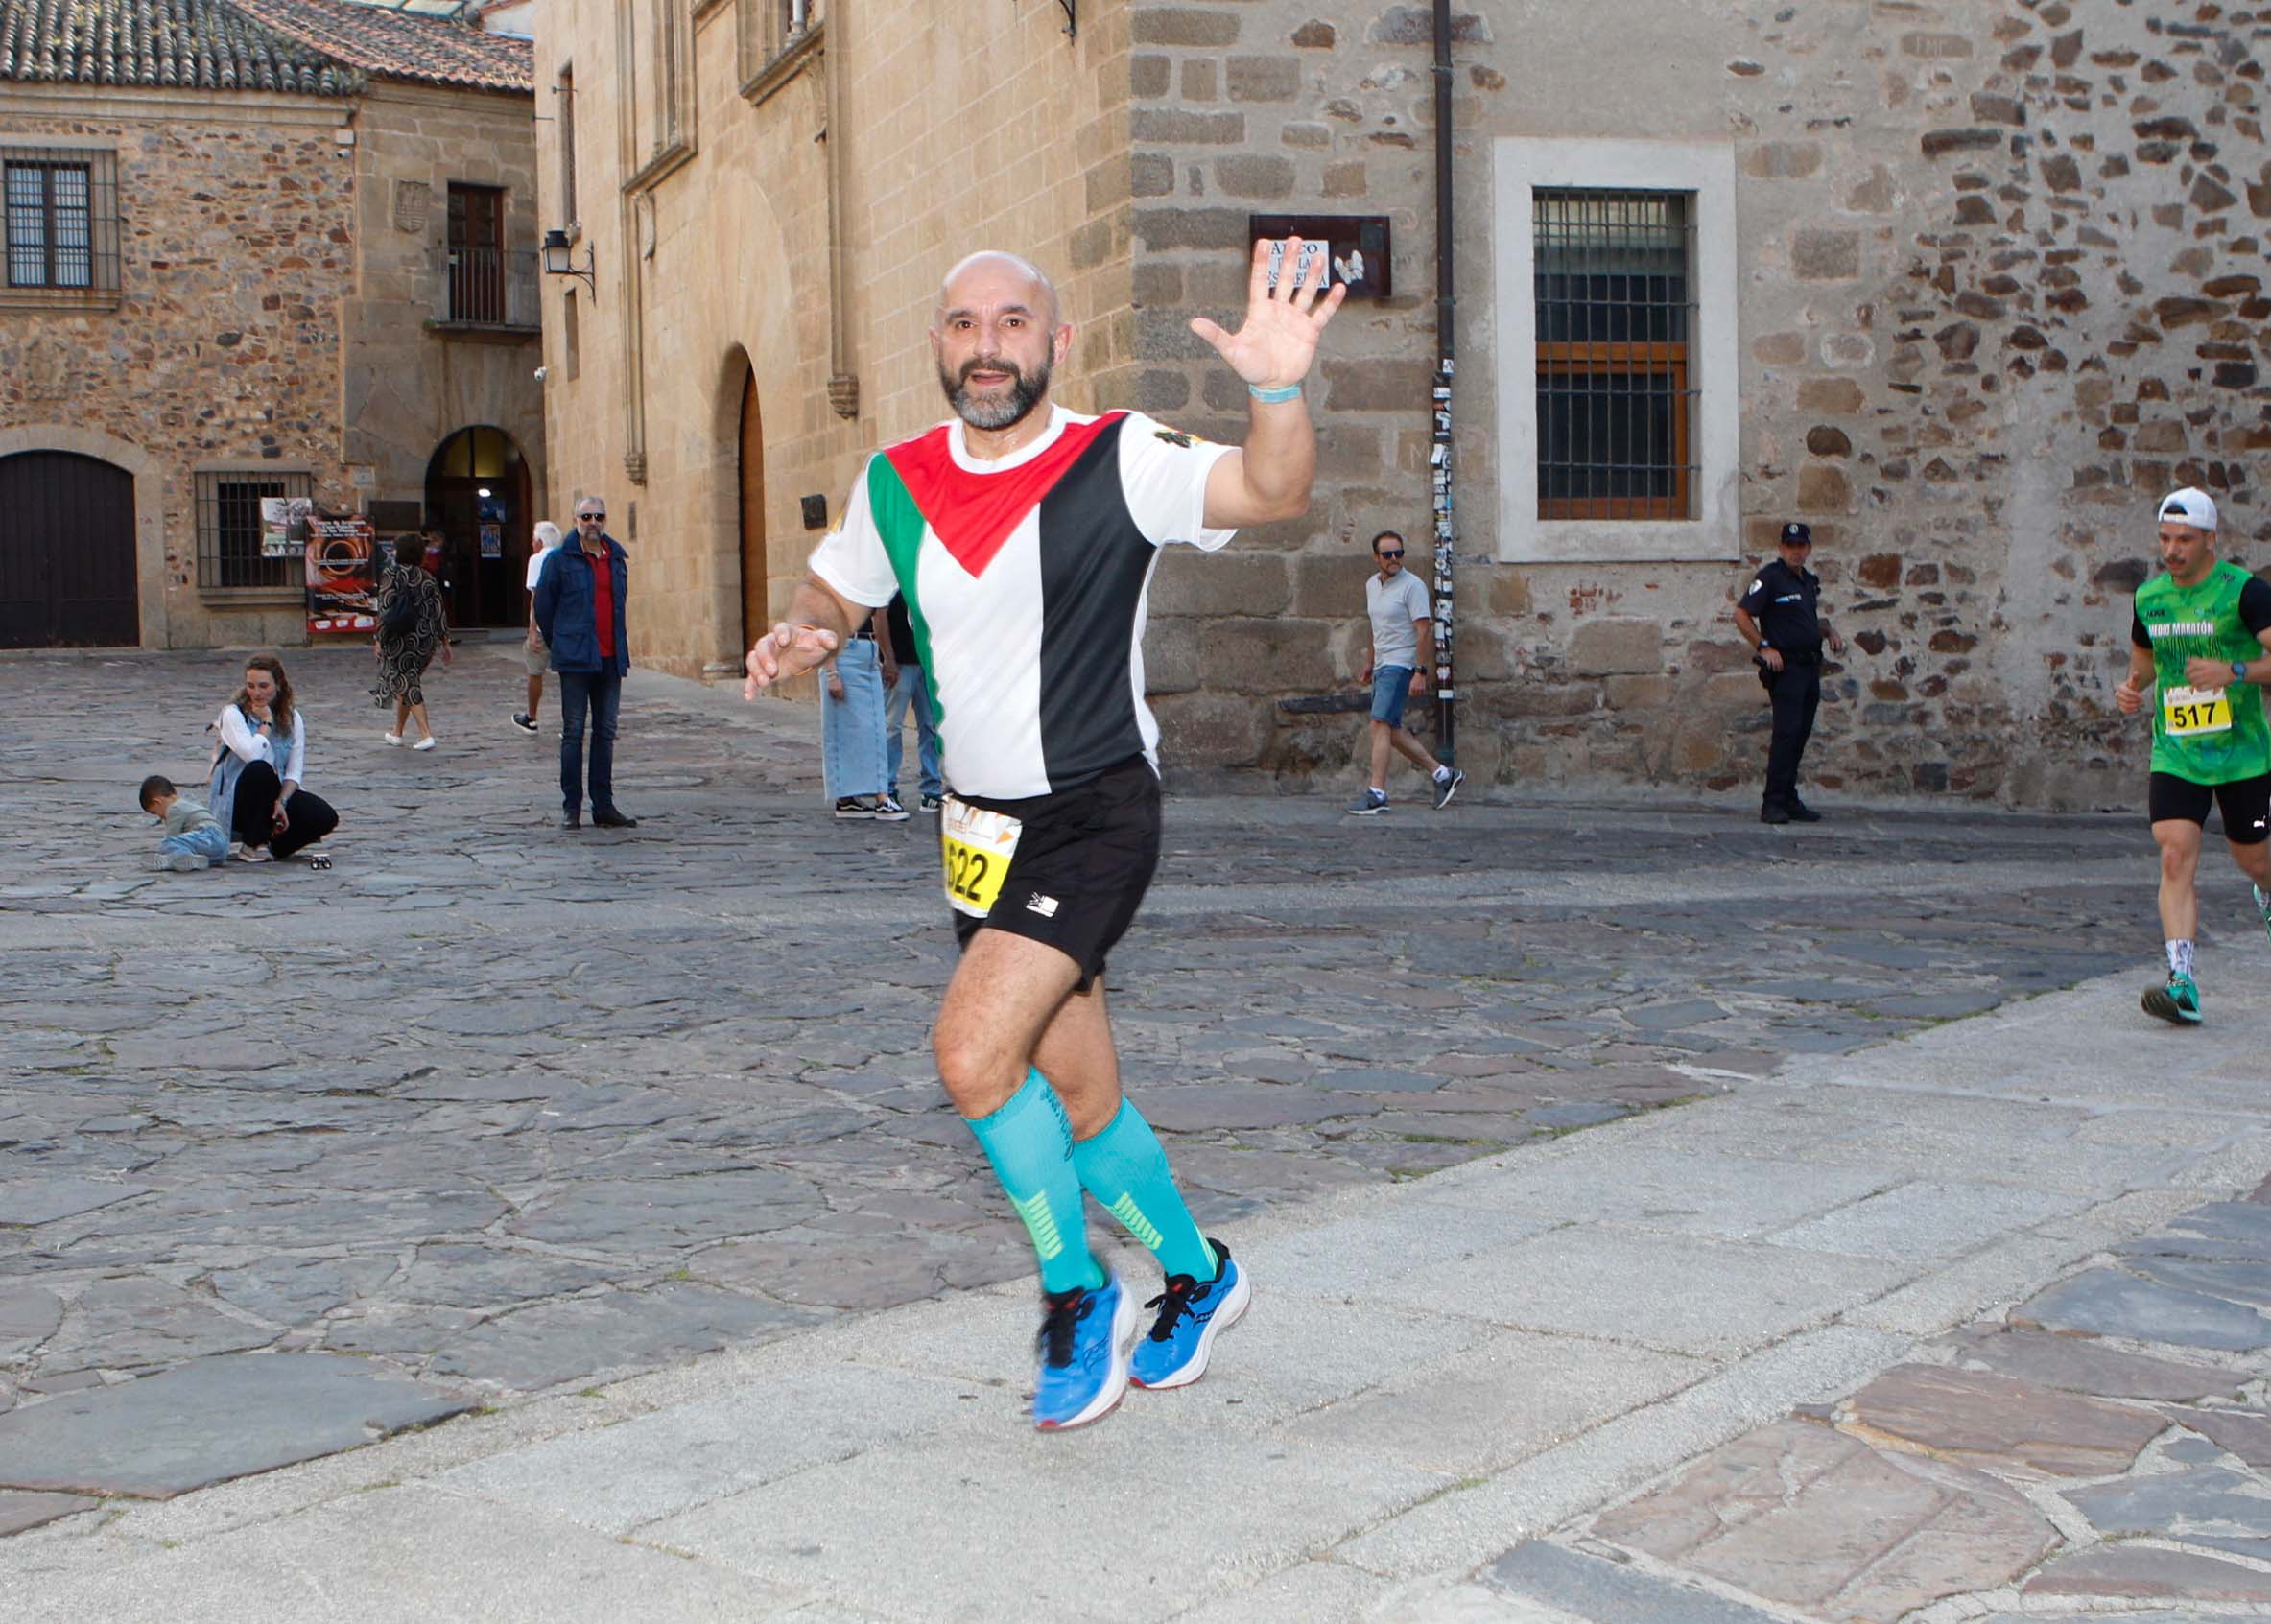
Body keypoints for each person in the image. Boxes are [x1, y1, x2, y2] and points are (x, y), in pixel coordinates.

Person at [745, 239, 1344, 1428]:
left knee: (973, 1055)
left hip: (1092, 814)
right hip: (975, 832)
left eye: (1013, 323)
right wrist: (809, 628)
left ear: (1055, 343)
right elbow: (839, 586)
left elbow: (1271, 493)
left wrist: (1276, 391)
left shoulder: (1116, 457)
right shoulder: (895, 479)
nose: (987, 346)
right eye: (964, 324)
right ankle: (1200, 1272)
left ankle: (1078, 1291)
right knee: (1080, 1101)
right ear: (938, 343)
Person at [2113, 486, 2271, 1024]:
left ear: (2210, 539)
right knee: (2174, 853)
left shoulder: (2245, 593)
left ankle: (2267, 893)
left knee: (2255, 859)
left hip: (2242, 754)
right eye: (2164, 539)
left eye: (2184, 540)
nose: (2172, 550)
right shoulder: (2150, 597)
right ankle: (2182, 982)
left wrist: (2235, 671)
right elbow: (2145, 664)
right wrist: (2132, 689)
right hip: (2176, 750)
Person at [534, 497, 637, 830]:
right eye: (586, 516)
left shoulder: (616, 559)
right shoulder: (559, 560)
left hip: (610, 659)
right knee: (573, 732)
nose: (592, 521)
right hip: (576, 660)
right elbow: (545, 607)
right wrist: (560, 642)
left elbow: (618, 607)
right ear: (575, 519)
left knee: (605, 733)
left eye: (599, 516)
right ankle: (571, 807)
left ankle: (604, 805)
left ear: (606, 520)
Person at [1734, 520, 1846, 824]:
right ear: (1781, 548)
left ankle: (1788, 797)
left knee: (1800, 734)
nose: (1796, 552)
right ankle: (1772, 803)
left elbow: (1807, 622)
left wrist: (1829, 630)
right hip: (1786, 668)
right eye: (1790, 546)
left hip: (1810, 666)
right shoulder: (1770, 578)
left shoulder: (1807, 582)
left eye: (1801, 546)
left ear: (1808, 549)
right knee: (1786, 734)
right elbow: (1742, 614)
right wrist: (1763, 646)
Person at [1348, 529, 1462, 814]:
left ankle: (1377, 793)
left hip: (1401, 664)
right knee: (1392, 730)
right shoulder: (1372, 585)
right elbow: (1378, 629)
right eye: (1387, 554)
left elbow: (1423, 631)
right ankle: (1443, 775)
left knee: (1379, 724)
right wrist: (1370, 661)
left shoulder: (1413, 586)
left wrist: (1420, 671)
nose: (1394, 559)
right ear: (1376, 558)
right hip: (1383, 663)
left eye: (1399, 553)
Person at [209, 654, 338, 865]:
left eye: (263, 686)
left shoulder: (292, 717)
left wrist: (282, 801)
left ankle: (276, 844)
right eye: (251, 686)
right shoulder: (233, 714)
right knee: (259, 770)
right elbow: (251, 755)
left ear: (278, 686)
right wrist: (266, 723)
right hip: (240, 797)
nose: (256, 693)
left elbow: (294, 772)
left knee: (324, 815)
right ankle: (251, 844)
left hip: (274, 793)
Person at [821, 603, 907, 819]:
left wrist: (886, 656)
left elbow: (880, 616)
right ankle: (876, 796)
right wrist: (832, 673)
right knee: (845, 729)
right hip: (843, 650)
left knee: (874, 726)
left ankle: (852, 797)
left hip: (867, 649)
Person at [372, 532, 450, 750]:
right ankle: (397, 732)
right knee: (406, 682)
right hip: (425, 640)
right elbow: (438, 609)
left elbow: (385, 608)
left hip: (400, 638)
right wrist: (445, 641)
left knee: (408, 682)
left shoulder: (391, 574)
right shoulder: (427, 577)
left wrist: (378, 639)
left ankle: (426, 734)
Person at [884, 592, 945, 813]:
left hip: (926, 664)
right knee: (891, 726)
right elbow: (880, 619)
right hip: (900, 663)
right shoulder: (891, 584)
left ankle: (932, 790)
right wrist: (888, 659)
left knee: (930, 726)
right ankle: (887, 787)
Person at [514, 520, 564, 736]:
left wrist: (532, 629)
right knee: (567, 676)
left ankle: (532, 717)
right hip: (565, 626)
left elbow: (536, 596)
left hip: (545, 627)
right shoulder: (565, 558)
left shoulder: (537, 559)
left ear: (540, 541)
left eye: (534, 540)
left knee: (535, 672)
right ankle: (570, 722)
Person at [138, 774, 230, 872]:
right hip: (221, 846)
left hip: (207, 836)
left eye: (155, 812)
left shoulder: (175, 809)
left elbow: (172, 837)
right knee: (187, 848)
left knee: (167, 844)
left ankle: (172, 860)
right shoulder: (190, 801)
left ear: (157, 802)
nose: (160, 817)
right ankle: (194, 861)